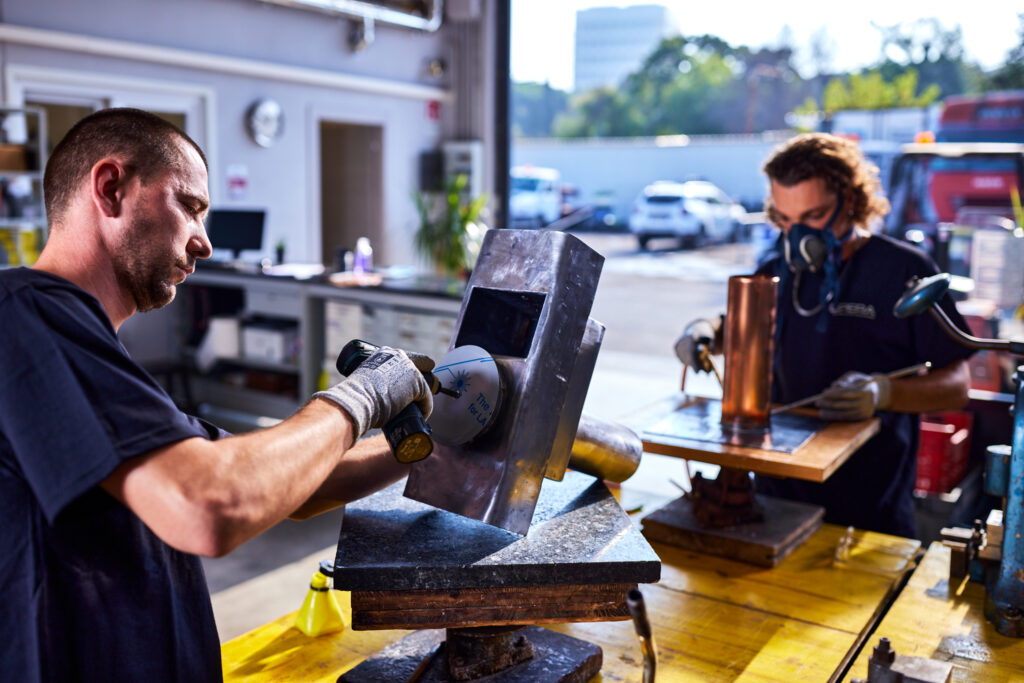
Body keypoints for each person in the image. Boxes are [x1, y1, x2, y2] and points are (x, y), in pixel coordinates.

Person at [0, 108, 433, 682]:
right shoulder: (24, 312)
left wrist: (441, 442)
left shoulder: (92, 355)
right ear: (110, 188)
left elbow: (294, 486)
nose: (204, 243)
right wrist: (365, 396)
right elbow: (212, 503)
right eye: (190, 207)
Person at [679, 132, 973, 538]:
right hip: (777, 502)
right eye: (785, 221)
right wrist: (705, 332)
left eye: (812, 217)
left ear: (850, 200)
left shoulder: (903, 270)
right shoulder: (774, 271)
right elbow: (736, 331)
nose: (797, 237)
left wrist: (884, 394)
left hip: (872, 510)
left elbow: (958, 384)